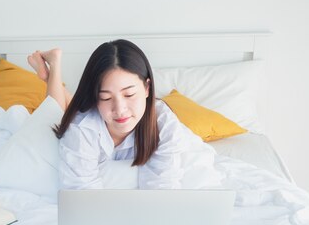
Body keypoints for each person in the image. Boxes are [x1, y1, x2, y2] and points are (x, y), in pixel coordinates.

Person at [27, 39, 219, 189]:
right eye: (105, 97)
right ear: (95, 98)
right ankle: (53, 67)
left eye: (129, 94)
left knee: (72, 108)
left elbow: (164, 187)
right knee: (58, 110)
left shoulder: (163, 122)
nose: (120, 110)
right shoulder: (82, 126)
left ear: (146, 88)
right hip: (85, 119)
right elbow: (81, 193)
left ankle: (50, 74)